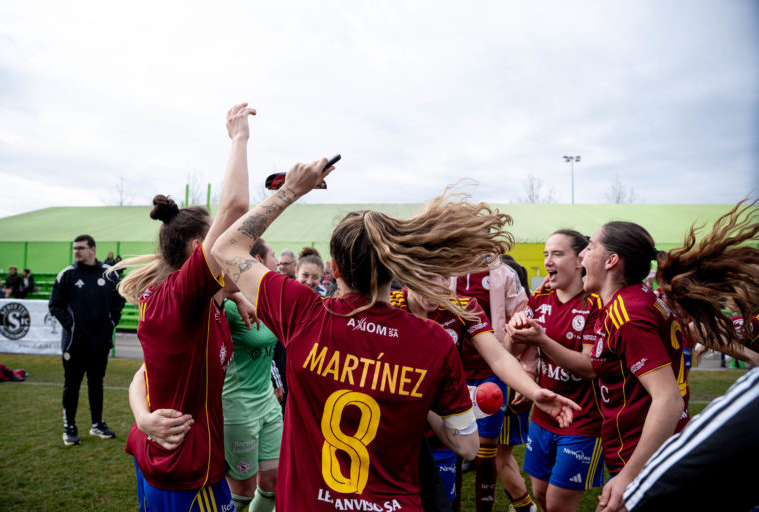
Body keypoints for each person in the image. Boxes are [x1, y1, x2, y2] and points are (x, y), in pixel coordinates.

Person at [212, 161, 575, 511]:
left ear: (333, 269)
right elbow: (467, 447)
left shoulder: (302, 312)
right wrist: (421, 402)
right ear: (395, 268)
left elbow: (225, 247)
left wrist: (291, 190)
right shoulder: (433, 341)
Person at [119, 102, 255, 511]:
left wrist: (142, 418)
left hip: (175, 464)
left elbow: (144, 373)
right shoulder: (181, 297)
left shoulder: (197, 301)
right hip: (185, 474)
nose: (237, 248)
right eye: (226, 241)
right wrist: (239, 138)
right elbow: (236, 207)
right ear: (201, 249)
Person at [509, 221, 689, 512]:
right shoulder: (630, 300)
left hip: (645, 457)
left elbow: (668, 399)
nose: (582, 255)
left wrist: (628, 476)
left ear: (611, 261)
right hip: (643, 452)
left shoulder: (627, 314)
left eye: (590, 247)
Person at [619, 200, 759, 511]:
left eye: (745, 283)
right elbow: (704, 330)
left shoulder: (638, 308)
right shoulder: (738, 323)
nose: (734, 292)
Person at [390, 280, 580, 508]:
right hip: (394, 433)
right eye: (429, 275)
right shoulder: (388, 306)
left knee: (441, 503)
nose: (438, 285)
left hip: (440, 437)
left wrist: (535, 391)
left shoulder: (463, 307)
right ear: (409, 273)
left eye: (444, 275)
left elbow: (498, 357)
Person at [508, 231, 605, 512]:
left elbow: (589, 367)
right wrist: (514, 329)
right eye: (546, 254)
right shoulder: (540, 298)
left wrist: (541, 340)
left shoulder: (595, 304)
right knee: (540, 493)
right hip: (543, 416)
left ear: (579, 260)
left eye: (557, 254)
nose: (548, 261)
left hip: (583, 419)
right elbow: (511, 352)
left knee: (558, 502)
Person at [456, 259, 536, 512]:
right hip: (454, 373)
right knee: (452, 449)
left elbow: (523, 321)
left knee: (487, 453)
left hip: (493, 372)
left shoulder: (504, 274)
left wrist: (527, 372)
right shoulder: (444, 268)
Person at [222, 238, 283, 512]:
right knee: (243, 491)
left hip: (268, 402)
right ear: (258, 260)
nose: (277, 261)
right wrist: (235, 296)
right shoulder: (231, 306)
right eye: (273, 255)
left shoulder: (269, 298)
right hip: (239, 408)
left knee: (272, 483)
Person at [49, 234, 125, 446]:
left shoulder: (109, 273)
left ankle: (97, 424)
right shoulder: (67, 275)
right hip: (75, 343)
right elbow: (54, 305)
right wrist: (71, 325)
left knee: (96, 383)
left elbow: (119, 301)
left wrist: (111, 322)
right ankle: (69, 427)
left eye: (80, 248)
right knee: (72, 385)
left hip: (99, 342)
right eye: (74, 248)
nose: (76, 252)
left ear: (92, 249)